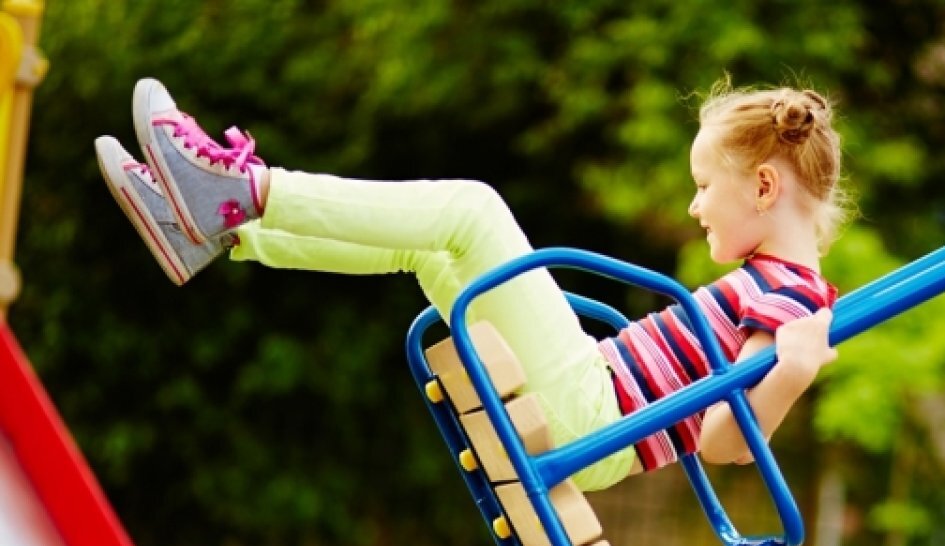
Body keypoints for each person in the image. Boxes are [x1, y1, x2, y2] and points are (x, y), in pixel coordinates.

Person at [95, 76, 842, 492]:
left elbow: (722, 439)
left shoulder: (793, 300)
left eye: (705, 185)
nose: (694, 204)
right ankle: (226, 232)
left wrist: (792, 373)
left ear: (766, 188)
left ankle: (244, 191)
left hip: (600, 410)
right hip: (597, 394)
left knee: (470, 210)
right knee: (431, 250)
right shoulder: (773, 282)